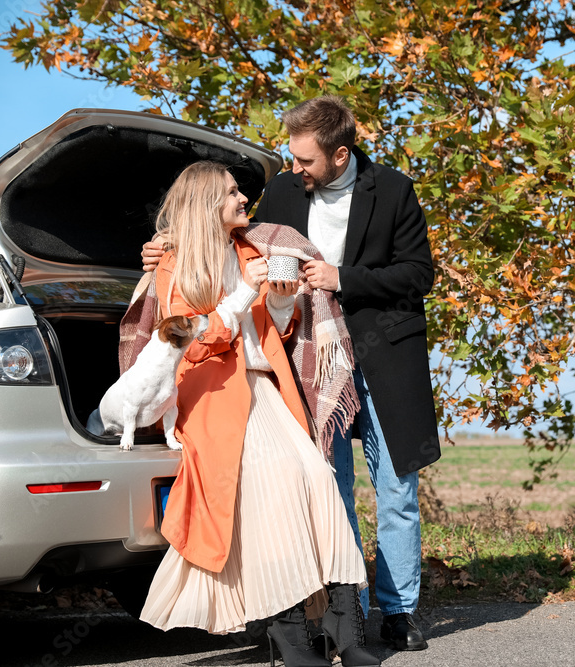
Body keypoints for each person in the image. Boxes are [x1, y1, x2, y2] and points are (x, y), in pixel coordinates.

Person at [142, 96, 441, 652]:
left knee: (396, 489)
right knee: (332, 484)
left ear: (339, 153)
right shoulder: (282, 189)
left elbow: (419, 273)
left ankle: (399, 612)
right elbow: (227, 234)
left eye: (305, 160)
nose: (294, 169)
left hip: (385, 354)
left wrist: (342, 277)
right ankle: (339, 617)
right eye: (292, 158)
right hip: (302, 350)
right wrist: (164, 248)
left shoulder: (394, 189)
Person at [137, 161, 379, 667]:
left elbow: (272, 335)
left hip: (265, 387)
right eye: (231, 192)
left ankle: (342, 621)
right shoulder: (172, 264)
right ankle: (289, 635)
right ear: (208, 204)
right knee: (276, 493)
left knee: (317, 482)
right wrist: (246, 292)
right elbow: (193, 344)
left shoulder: (250, 249)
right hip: (211, 395)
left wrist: (285, 305)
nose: (243, 197)